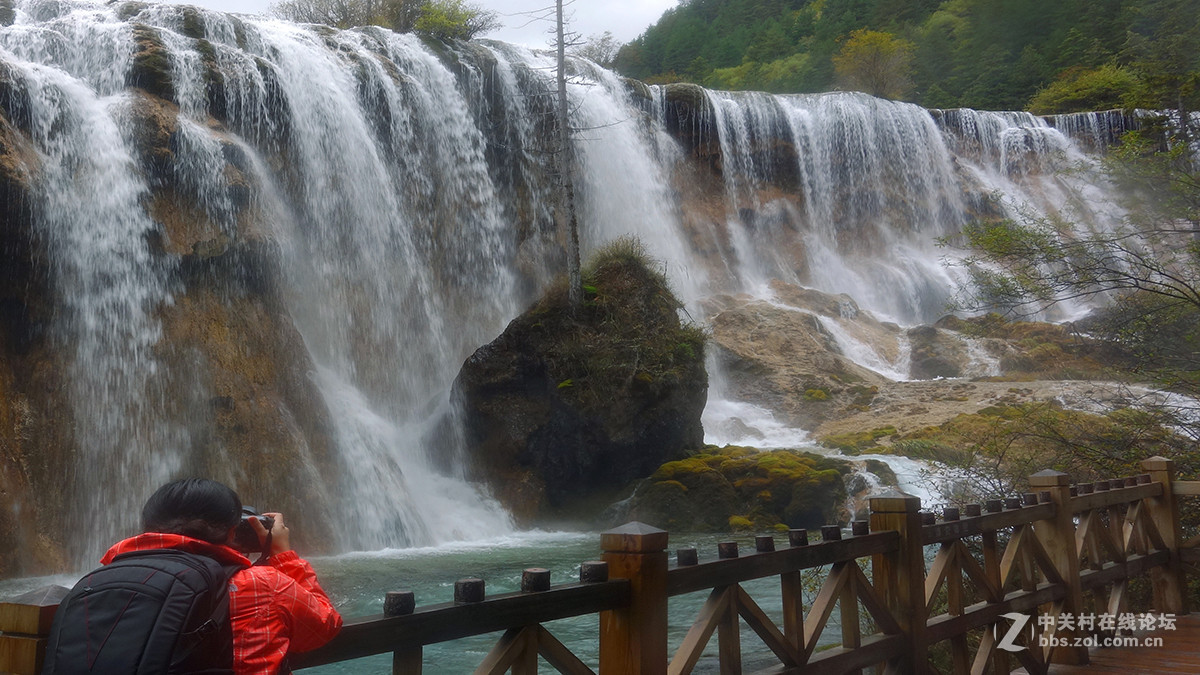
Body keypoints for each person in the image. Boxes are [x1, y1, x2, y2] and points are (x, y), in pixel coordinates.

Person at [96, 478, 343, 674]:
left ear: (147, 528)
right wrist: (282, 554)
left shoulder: (101, 582)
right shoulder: (264, 584)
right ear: (233, 532)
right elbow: (325, 626)